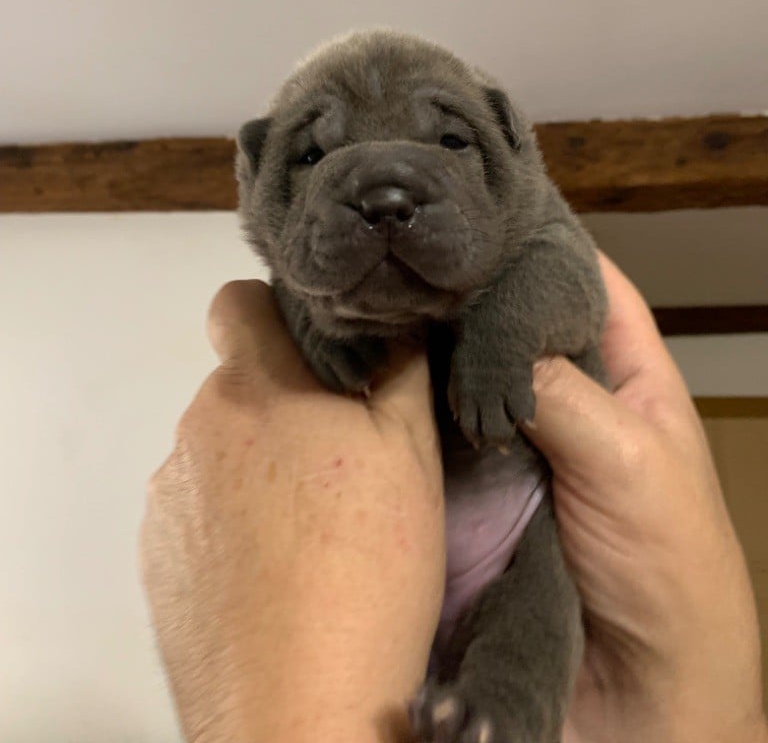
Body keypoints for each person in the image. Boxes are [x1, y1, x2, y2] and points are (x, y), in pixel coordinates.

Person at [140, 254, 767, 743]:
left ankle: (503, 713)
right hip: (400, 579)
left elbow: (568, 283)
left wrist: (270, 715)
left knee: (532, 621)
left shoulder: (528, 237)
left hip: (516, 536)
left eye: (452, 141)